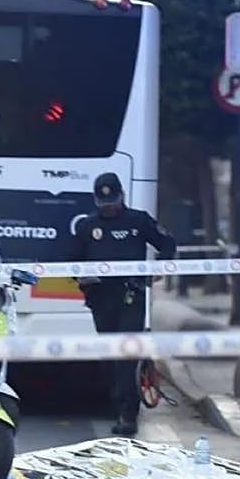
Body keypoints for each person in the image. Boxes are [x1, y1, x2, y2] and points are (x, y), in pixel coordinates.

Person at [70, 172, 177, 436]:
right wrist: (82, 277)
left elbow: (167, 243)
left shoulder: (138, 221)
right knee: (110, 357)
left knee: (126, 356)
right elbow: (72, 260)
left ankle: (129, 415)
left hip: (131, 296)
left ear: (122, 197)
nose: (109, 207)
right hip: (100, 299)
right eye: (103, 202)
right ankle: (117, 403)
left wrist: (158, 267)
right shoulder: (87, 227)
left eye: (113, 201)